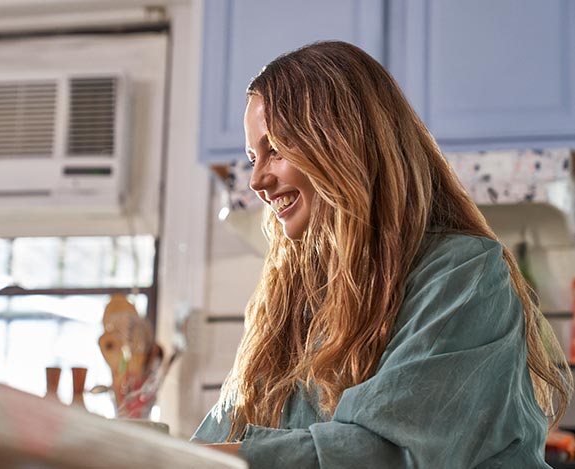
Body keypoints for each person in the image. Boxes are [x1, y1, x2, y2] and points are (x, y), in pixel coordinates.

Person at [192, 41, 573, 468]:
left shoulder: (464, 276)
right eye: (251, 157)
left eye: (276, 149)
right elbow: (218, 436)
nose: (257, 181)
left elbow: (388, 455)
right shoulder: (292, 303)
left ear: (343, 144)